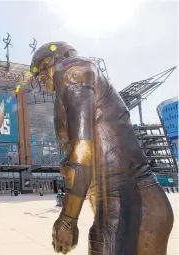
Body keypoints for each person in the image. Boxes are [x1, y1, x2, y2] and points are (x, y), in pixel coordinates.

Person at [30, 42, 174, 255]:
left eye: (39, 67)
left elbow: (83, 148)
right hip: (126, 200)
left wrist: (68, 219)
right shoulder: (72, 83)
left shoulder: (70, 70)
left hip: (127, 199)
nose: (37, 76)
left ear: (57, 59)